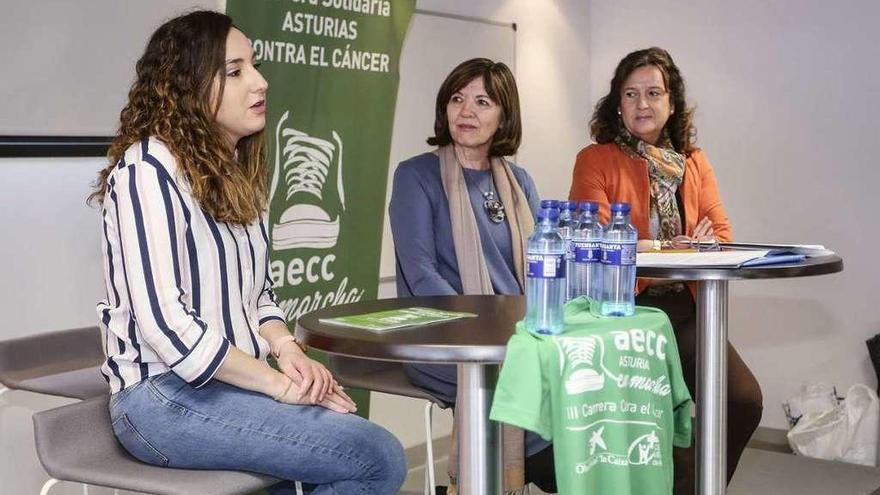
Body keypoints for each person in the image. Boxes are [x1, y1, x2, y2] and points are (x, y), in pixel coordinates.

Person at [88, 11, 405, 495]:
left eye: (253, 66)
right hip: (160, 398)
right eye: (235, 72)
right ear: (189, 87)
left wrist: (286, 349)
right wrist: (279, 386)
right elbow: (167, 326)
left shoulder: (234, 171)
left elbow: (259, 295)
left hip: (230, 387)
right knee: (374, 457)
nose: (261, 82)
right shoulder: (146, 170)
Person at [568, 47, 763, 493]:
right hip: (627, 310)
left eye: (653, 93)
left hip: (688, 307)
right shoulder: (595, 159)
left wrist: (697, 247)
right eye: (631, 94)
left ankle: (688, 485)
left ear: (672, 103)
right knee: (653, 419)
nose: (642, 104)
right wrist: (666, 248)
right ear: (617, 104)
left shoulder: (693, 161)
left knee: (742, 400)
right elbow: (597, 241)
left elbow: (722, 235)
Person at [389, 58, 556, 493]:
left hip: (517, 339)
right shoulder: (416, 176)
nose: (466, 111)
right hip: (444, 338)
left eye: (483, 101)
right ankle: (505, 476)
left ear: (504, 115)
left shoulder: (519, 181)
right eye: (457, 99)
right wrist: (487, 332)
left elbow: (541, 270)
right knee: (516, 378)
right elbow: (421, 275)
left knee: (574, 371)